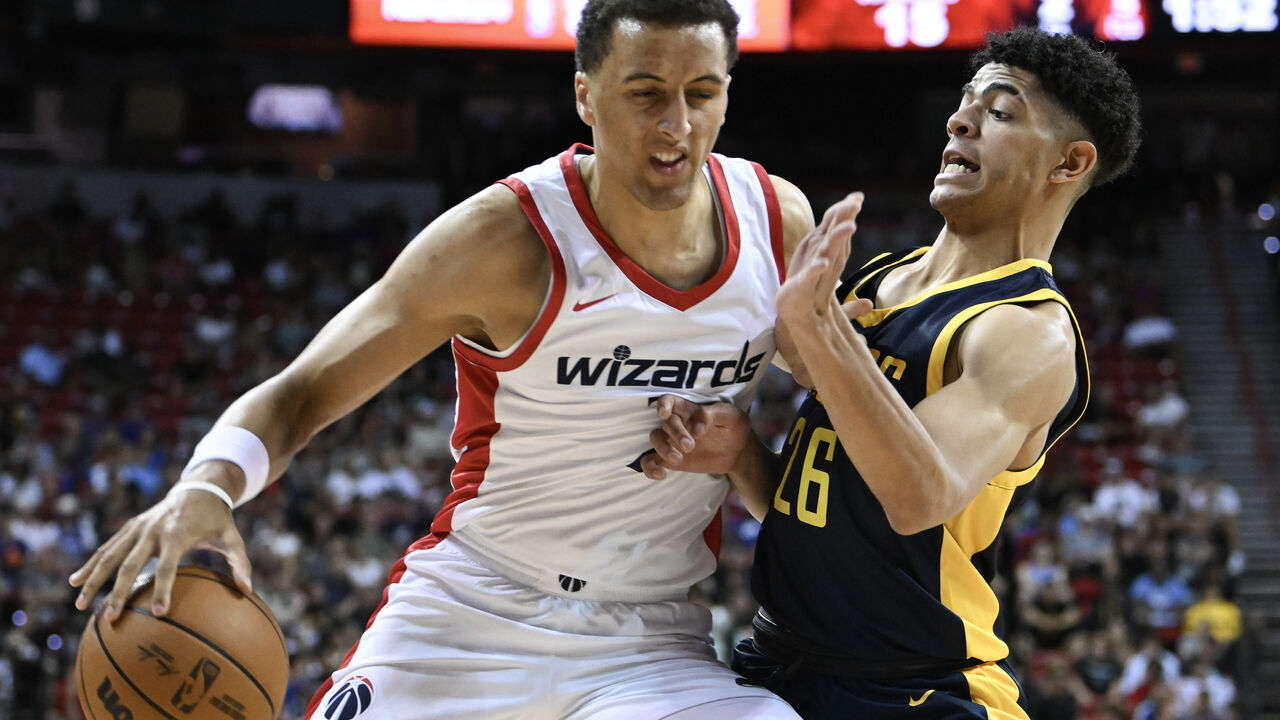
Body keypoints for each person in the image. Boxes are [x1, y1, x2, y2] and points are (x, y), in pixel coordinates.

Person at [68, 1, 816, 718]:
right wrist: (208, 485)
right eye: (645, 92)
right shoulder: (502, 241)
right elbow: (301, 394)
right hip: (471, 614)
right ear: (586, 96)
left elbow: (837, 472)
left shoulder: (775, 225)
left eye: (701, 92)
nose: (676, 124)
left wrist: (751, 443)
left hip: (650, 640)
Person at [643, 27, 1142, 718]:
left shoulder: (1028, 334)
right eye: (965, 102)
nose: (959, 119)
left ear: (1069, 162)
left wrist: (822, 338)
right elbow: (840, 519)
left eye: (999, 112)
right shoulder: (882, 279)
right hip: (779, 663)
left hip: (914, 688)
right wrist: (742, 457)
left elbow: (915, 498)